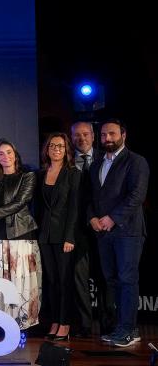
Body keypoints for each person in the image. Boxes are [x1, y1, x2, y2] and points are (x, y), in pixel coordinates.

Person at [88, 119, 149, 347]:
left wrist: (113, 218)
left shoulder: (136, 162)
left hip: (128, 232)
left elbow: (137, 196)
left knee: (127, 280)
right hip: (104, 233)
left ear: (123, 134)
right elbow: (91, 197)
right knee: (111, 281)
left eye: (112, 134)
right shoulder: (96, 164)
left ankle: (129, 330)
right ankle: (119, 328)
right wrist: (92, 217)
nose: (107, 139)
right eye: (103, 135)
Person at [0, 139, 41, 331]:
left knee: (19, 279)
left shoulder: (27, 176)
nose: (6, 157)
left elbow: (21, 202)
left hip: (20, 234)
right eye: (1, 154)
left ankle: (21, 322)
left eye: (9, 152)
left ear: (15, 154)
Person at [35, 132, 80, 341]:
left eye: (61, 146)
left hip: (64, 237)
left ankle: (65, 323)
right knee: (51, 281)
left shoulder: (73, 173)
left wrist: (70, 237)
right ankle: (54, 321)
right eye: (53, 146)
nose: (56, 149)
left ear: (66, 150)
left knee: (64, 281)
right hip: (45, 236)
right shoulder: (41, 172)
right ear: (47, 149)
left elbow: (74, 208)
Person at [70, 121, 105, 337]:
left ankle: (108, 324)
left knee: (104, 277)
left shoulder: (106, 159)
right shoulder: (66, 162)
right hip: (76, 230)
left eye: (85, 134)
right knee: (78, 277)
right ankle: (84, 324)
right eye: (76, 135)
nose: (81, 139)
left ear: (93, 136)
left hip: (102, 227)